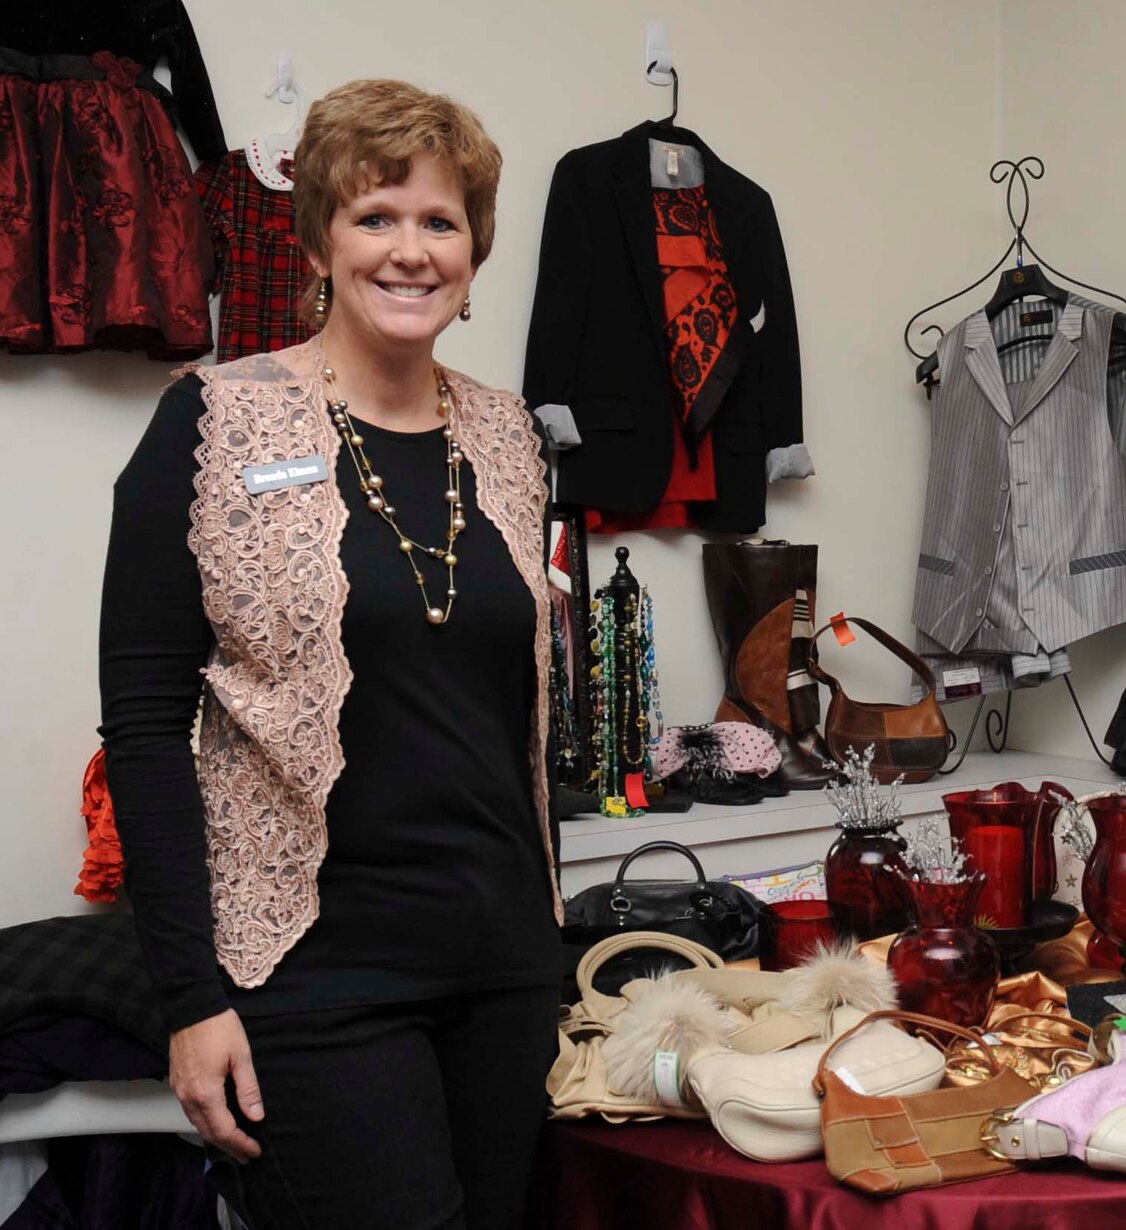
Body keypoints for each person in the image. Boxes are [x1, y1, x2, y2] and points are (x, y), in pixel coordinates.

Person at [98, 80, 561, 1229]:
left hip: (502, 967)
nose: (410, 252)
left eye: (440, 222)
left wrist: (548, 946)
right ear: (318, 236)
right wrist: (188, 999)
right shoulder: (211, 423)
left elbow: (515, 714)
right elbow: (147, 726)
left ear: (475, 249)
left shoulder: (510, 435)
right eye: (376, 217)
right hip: (310, 974)